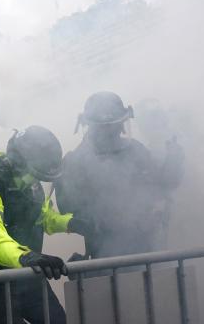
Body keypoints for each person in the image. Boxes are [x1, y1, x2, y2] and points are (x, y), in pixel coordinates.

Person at [0, 126, 86, 324]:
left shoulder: (31, 184)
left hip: (28, 272)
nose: (38, 181)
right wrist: (26, 256)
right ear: (19, 163)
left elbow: (43, 217)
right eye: (36, 175)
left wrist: (71, 223)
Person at [56, 91, 184, 259]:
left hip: (147, 249)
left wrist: (172, 163)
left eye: (114, 125)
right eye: (104, 128)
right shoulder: (75, 162)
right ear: (92, 127)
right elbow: (68, 211)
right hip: (103, 256)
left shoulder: (136, 151)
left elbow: (160, 187)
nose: (110, 133)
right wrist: (101, 224)